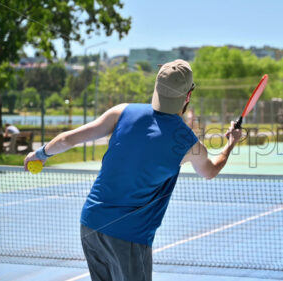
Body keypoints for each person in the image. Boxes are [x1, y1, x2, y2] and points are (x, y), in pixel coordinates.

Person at [24, 59, 242, 281]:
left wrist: (40, 155)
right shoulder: (187, 142)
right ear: (187, 97)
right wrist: (231, 142)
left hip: (91, 224)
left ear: (157, 87)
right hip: (129, 237)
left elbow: (67, 139)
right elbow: (210, 170)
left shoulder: (123, 111)